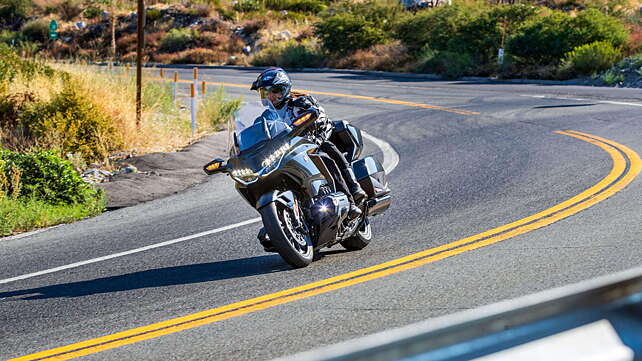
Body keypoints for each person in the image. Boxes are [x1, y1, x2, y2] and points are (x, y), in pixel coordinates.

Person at [250, 67, 367, 219]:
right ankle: (281, 215)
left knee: (326, 152)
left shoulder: (301, 101)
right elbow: (259, 136)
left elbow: (321, 117)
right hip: (288, 152)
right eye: (265, 93)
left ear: (284, 89)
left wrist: (316, 135)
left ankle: (352, 193)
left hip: (315, 141)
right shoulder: (266, 117)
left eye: (274, 91)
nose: (270, 96)